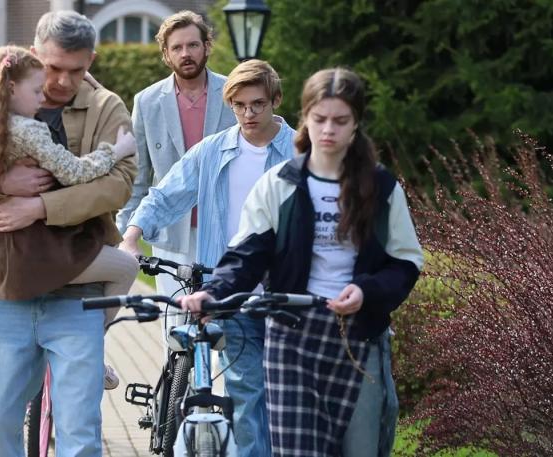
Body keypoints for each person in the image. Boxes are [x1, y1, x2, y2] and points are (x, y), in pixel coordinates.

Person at [179, 68, 424, 457]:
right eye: (319, 118)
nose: (328, 130)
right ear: (306, 118)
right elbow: (246, 255)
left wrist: (366, 291)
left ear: (356, 123)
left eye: (340, 120)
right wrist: (215, 293)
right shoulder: (280, 183)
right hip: (291, 337)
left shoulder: (381, 188)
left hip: (359, 336)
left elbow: (405, 262)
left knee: (359, 450)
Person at [0, 11, 136, 457]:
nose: (62, 81)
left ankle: (95, 346)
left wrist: (40, 207)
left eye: (77, 70)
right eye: (53, 67)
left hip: (75, 289)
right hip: (5, 286)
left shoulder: (107, 107)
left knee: (80, 432)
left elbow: (120, 183)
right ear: (32, 55)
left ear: (92, 60)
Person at [120, 59, 293, 457]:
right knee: (245, 394)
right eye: (239, 105)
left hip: (284, 294)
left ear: (275, 100)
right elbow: (166, 195)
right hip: (229, 291)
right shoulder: (213, 151)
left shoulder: (300, 152)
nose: (248, 114)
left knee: (285, 399)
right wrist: (132, 236)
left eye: (258, 104)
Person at [116, 10, 236, 299]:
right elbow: (138, 175)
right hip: (171, 235)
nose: (186, 53)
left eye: (193, 45)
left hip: (226, 231)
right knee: (175, 321)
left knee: (224, 320)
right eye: (177, 47)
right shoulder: (146, 102)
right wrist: (125, 233)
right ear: (166, 55)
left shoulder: (233, 93)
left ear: (206, 46)